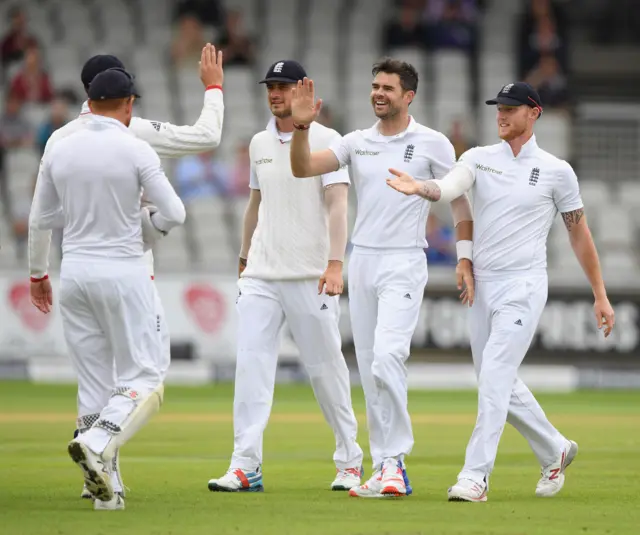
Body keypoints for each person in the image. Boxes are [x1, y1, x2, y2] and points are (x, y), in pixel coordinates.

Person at [385, 81, 615, 502]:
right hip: (482, 285)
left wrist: (599, 294)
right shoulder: (478, 158)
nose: (502, 115)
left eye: (511, 108)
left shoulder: (556, 170)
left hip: (524, 285)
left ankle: (475, 476)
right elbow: (452, 188)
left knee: (493, 375)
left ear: (534, 113)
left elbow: (579, 235)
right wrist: (424, 189)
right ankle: (555, 448)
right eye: (498, 108)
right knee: (495, 379)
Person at [28, 44, 224, 503]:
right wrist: (213, 89)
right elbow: (203, 141)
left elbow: (41, 218)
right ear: (128, 100)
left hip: (74, 270)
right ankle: (96, 446)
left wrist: (38, 272)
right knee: (146, 376)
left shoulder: (59, 140)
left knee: (94, 380)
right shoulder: (133, 135)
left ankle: (103, 488)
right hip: (127, 272)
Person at [289, 58, 474, 498]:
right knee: (372, 370)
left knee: (389, 356)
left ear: (408, 96)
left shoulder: (433, 143)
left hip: (405, 260)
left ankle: (395, 462)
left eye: (388, 88)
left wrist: (464, 259)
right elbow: (302, 169)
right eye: (374, 85)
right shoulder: (357, 142)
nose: (378, 93)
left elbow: (461, 205)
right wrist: (299, 130)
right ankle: (383, 467)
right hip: (364, 262)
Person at [207, 60, 364, 493]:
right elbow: (255, 205)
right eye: (270, 87)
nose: (274, 93)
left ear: (302, 89)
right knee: (251, 366)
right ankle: (245, 465)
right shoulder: (258, 141)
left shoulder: (329, 140)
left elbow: (337, 203)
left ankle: (350, 460)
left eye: (282, 86)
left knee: (324, 369)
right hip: (261, 273)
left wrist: (335, 263)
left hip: (309, 274)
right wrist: (243, 257)